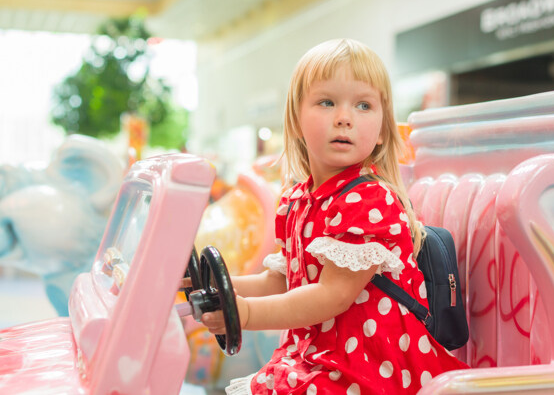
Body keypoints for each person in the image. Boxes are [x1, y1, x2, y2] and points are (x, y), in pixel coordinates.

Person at [200, 38, 469, 394]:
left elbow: (332, 295)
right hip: (317, 356)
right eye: (327, 102)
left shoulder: (369, 200)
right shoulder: (298, 199)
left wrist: (245, 313)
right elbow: (283, 281)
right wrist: (216, 287)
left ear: (381, 130)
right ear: (295, 120)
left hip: (369, 367)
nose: (344, 118)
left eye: (363, 105)